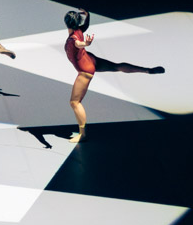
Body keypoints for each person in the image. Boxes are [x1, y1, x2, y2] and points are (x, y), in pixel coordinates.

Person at [63, 8, 164, 142]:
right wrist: (87, 15)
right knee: (116, 66)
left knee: (74, 102)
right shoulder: (79, 30)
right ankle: (147, 70)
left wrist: (85, 43)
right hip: (91, 60)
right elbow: (85, 27)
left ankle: (83, 134)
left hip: (85, 70)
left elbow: (78, 43)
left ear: (66, 23)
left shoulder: (72, 39)